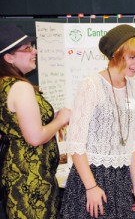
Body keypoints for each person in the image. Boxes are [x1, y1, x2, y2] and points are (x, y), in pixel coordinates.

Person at [61, 24, 135, 219]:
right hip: (91, 177)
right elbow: (76, 144)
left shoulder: (132, 88)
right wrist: (91, 187)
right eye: (132, 57)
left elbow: (132, 142)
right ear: (116, 54)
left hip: (121, 179)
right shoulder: (92, 85)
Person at [0, 24, 71, 218]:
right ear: (9, 57)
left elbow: (18, 126)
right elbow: (34, 137)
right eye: (27, 48)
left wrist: (50, 119)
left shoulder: (4, 84)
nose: (35, 51)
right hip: (31, 179)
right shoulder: (20, 87)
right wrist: (61, 119)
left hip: (21, 175)